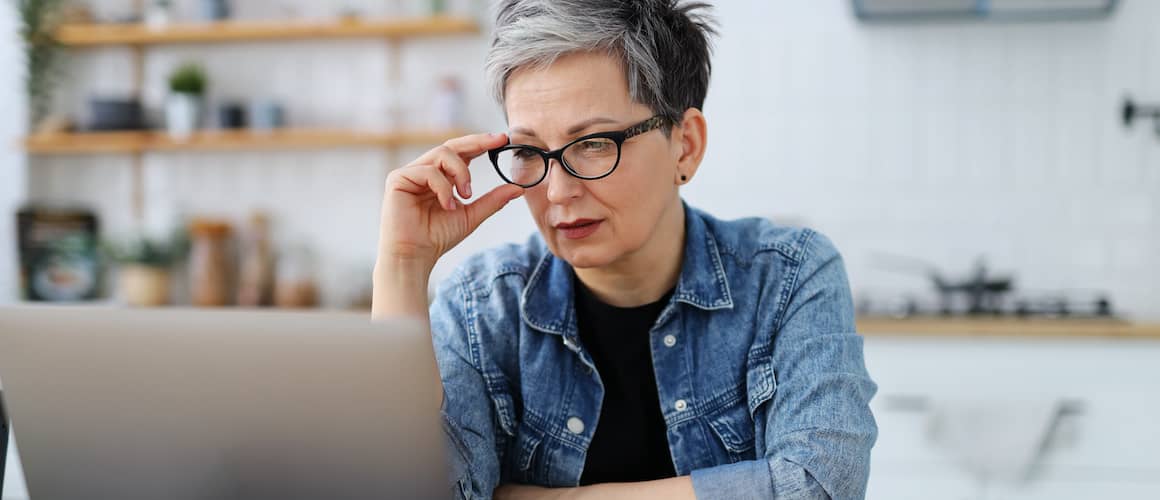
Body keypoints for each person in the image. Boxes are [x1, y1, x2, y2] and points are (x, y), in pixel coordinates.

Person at [372, 1, 877, 498]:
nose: (556, 191)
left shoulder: (788, 275)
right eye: (528, 151)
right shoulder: (482, 305)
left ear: (686, 145)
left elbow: (820, 486)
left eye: (592, 143)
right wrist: (402, 266)